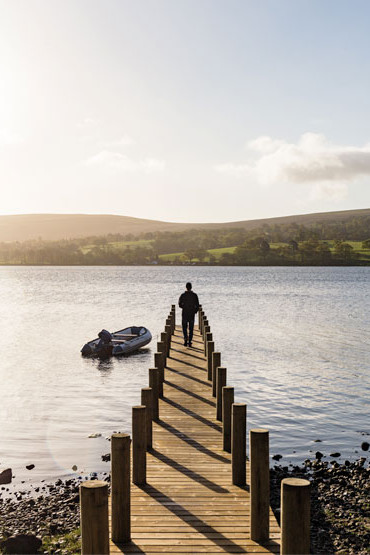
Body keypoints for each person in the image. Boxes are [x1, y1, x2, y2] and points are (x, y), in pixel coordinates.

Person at [178, 282, 199, 347]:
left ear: (186, 287)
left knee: (184, 327)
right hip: (191, 314)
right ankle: (189, 341)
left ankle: (185, 339)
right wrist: (195, 311)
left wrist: (184, 307)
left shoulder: (183, 295)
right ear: (191, 287)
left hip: (185, 313)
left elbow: (179, 304)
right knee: (191, 328)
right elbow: (197, 305)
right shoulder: (194, 295)